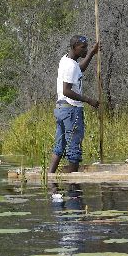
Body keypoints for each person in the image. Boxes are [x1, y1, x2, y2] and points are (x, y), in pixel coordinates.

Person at [49, 35, 100, 174]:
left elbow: (80, 69)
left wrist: (91, 54)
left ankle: (50, 176)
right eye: (83, 48)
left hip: (61, 109)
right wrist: (89, 100)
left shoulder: (66, 59)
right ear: (74, 47)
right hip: (71, 109)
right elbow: (66, 91)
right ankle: (73, 188)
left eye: (86, 47)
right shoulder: (70, 66)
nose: (85, 50)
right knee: (74, 147)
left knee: (60, 145)